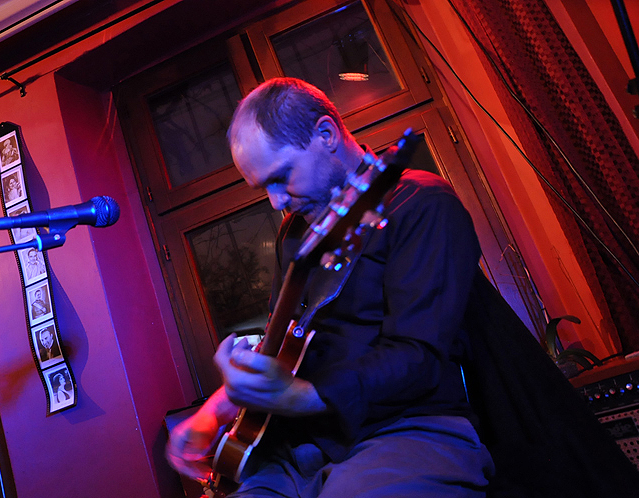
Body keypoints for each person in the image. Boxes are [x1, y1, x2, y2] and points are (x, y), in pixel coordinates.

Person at [166, 78, 639, 497]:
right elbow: (287, 345)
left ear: (326, 135)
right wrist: (217, 409)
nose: (275, 203)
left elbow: (417, 356)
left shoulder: (420, 203)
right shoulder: (295, 235)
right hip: (300, 447)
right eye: (262, 189)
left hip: (406, 429)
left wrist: (301, 397)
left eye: (280, 178)